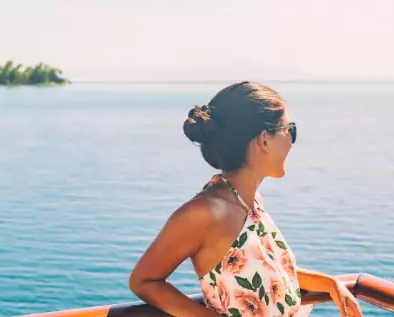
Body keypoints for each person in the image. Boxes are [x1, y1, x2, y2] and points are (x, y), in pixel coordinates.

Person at [129, 81, 362, 317]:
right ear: (264, 140)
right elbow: (145, 281)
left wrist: (331, 284)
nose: (292, 142)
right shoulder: (205, 212)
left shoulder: (249, 202)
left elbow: (267, 273)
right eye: (289, 129)